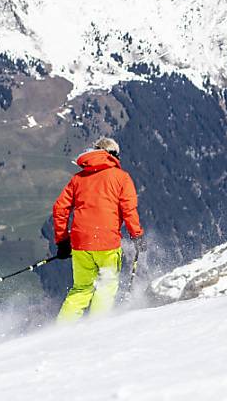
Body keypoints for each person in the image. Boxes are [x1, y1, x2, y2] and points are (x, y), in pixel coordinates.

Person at [52, 137, 145, 322]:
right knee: (106, 285)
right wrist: (137, 236)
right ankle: (96, 330)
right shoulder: (121, 177)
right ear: (114, 155)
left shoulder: (78, 179)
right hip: (107, 244)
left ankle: (61, 331)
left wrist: (62, 241)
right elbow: (128, 210)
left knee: (81, 289)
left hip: (80, 244)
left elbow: (59, 208)